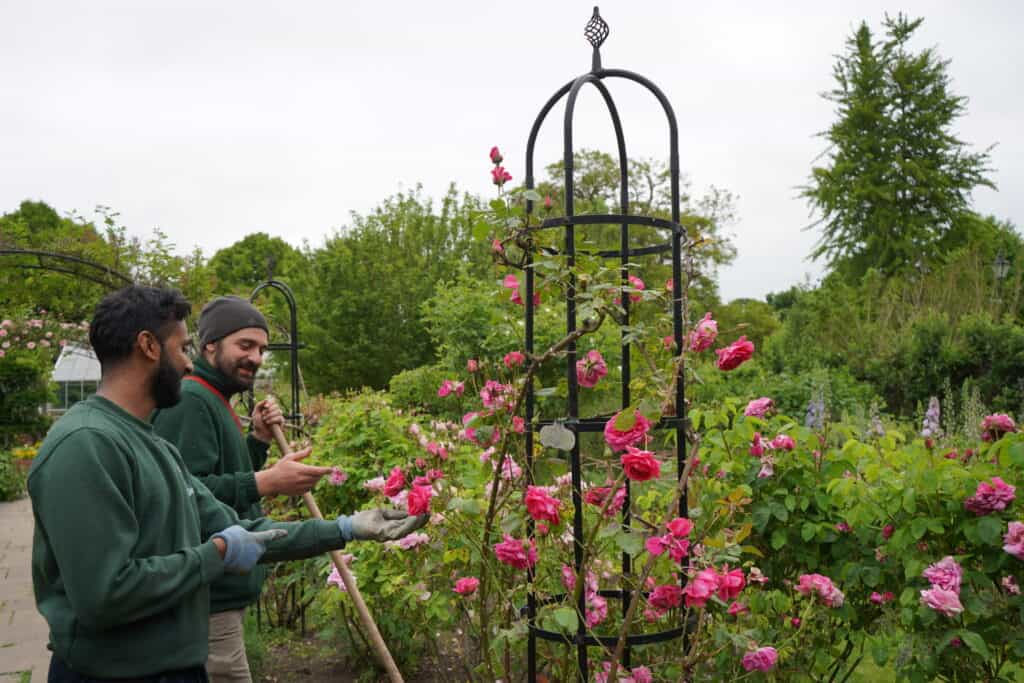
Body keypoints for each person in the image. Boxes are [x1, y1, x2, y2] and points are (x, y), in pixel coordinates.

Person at [29, 285, 427, 682]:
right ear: (149, 346)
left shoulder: (152, 444)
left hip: (173, 666)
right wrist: (217, 553)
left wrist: (348, 528)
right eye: (183, 348)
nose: (188, 365)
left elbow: (241, 530)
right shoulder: (85, 445)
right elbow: (106, 594)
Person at [151, 295, 329, 682]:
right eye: (245, 345)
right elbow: (185, 492)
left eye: (262, 348)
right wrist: (267, 482)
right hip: (208, 599)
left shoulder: (214, 398)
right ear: (210, 345)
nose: (256, 357)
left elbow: (223, 478)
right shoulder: (190, 401)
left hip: (222, 594)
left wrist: (259, 441)